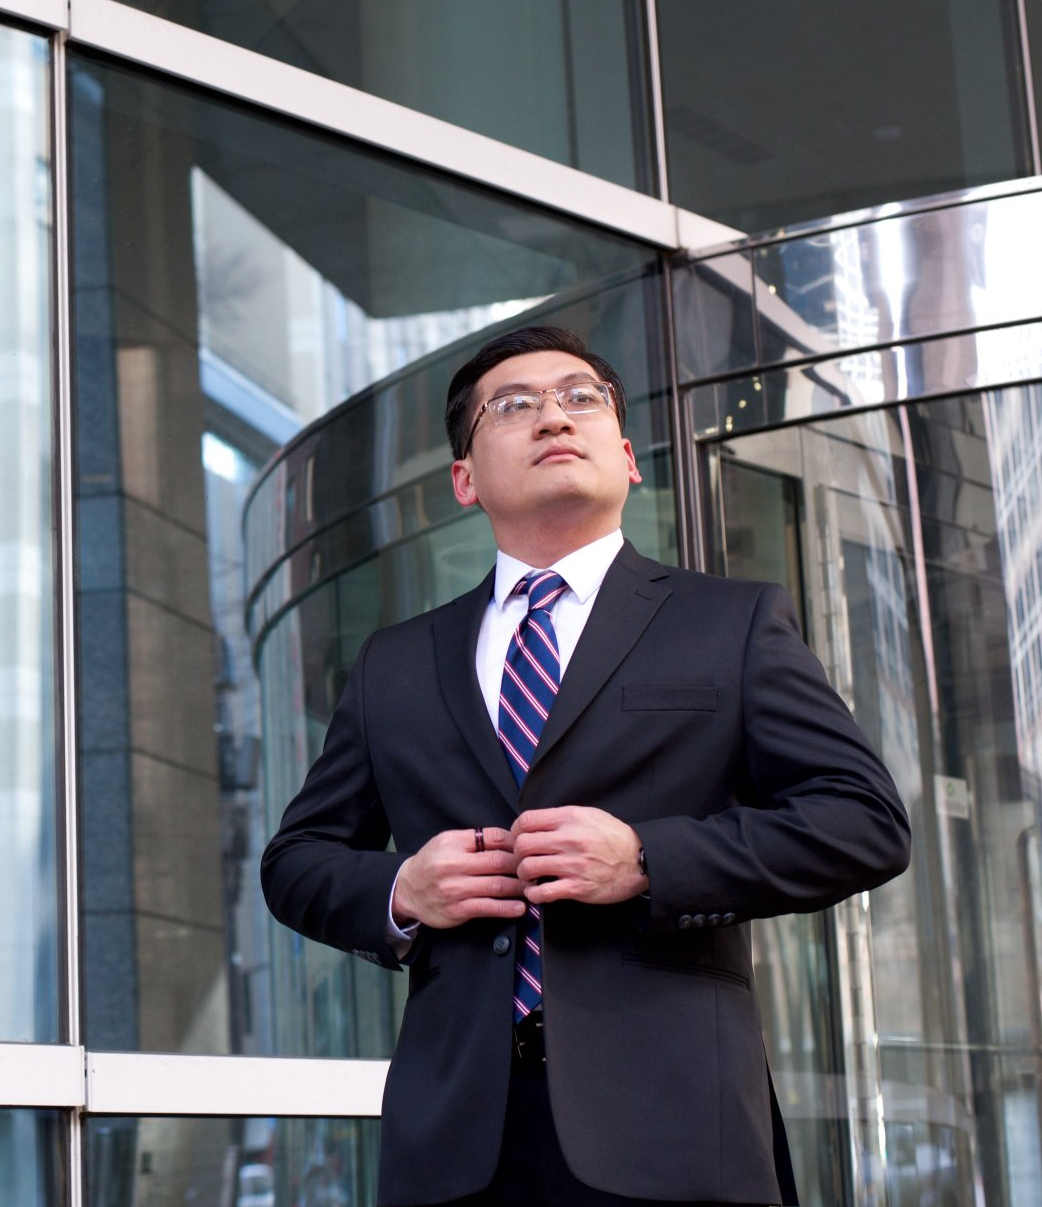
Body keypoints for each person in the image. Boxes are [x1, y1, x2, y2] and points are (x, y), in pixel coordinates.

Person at [260, 326, 910, 1207]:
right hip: (456, 1141)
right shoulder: (395, 662)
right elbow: (297, 860)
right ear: (465, 481)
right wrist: (403, 891)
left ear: (630, 459)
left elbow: (863, 821)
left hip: (676, 1133)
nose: (552, 418)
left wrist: (647, 860)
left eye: (581, 398)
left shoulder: (732, 622)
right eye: (514, 406)